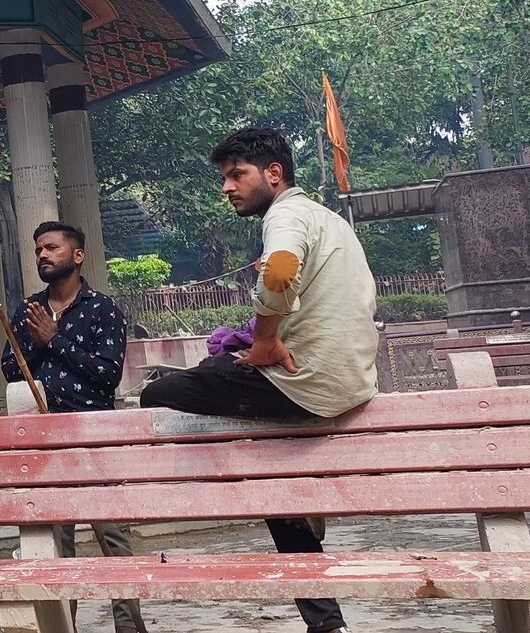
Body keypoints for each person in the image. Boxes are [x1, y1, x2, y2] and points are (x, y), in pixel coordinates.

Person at [140, 127, 377, 633]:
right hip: (346, 381)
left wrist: (265, 339)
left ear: (274, 173)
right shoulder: (329, 219)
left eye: (236, 175)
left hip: (300, 383)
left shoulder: (286, 214)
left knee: (157, 391)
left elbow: (280, 269)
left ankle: (276, 502)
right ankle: (325, 622)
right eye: (224, 178)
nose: (227, 187)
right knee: (273, 479)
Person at [4, 222, 145, 633]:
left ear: (77, 256)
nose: (42, 255)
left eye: (51, 247)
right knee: (57, 544)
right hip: (46, 442)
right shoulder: (28, 310)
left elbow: (107, 375)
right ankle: (64, 627)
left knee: (114, 540)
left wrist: (55, 339)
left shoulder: (103, 309)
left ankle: (131, 628)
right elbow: (11, 367)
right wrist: (38, 339)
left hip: (93, 438)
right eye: (38, 250)